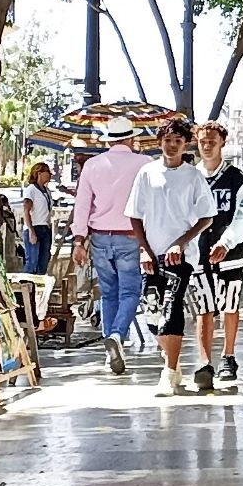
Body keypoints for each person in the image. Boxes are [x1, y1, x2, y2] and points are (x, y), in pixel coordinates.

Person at [127, 122, 217, 397]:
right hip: (151, 254)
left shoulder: (193, 177)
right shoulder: (146, 173)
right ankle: (172, 364)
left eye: (178, 140)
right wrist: (143, 249)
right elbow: (135, 214)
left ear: (186, 144)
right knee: (153, 313)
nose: (172, 145)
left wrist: (181, 242)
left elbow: (206, 216)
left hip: (180, 257)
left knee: (171, 308)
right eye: (167, 139)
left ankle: (169, 371)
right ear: (160, 142)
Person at [72, 118, 154, 375]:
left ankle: (111, 348)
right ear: (131, 139)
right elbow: (151, 205)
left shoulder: (93, 166)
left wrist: (78, 240)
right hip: (131, 235)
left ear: (110, 140)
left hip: (99, 237)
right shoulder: (145, 165)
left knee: (108, 294)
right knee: (130, 291)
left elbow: (82, 204)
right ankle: (117, 335)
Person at [192, 123, 243, 389]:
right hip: (198, 251)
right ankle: (204, 361)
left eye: (212, 141)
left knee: (229, 304)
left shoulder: (238, 178)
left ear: (222, 143)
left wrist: (226, 242)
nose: (207, 146)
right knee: (203, 307)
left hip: (230, 251)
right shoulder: (190, 177)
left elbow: (241, 217)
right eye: (203, 141)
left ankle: (228, 356)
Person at [16, 162, 58, 275]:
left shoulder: (47, 191)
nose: (49, 175)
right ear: (39, 173)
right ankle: (26, 287)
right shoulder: (31, 190)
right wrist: (31, 231)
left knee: (43, 261)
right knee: (32, 261)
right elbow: (26, 211)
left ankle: (39, 287)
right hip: (35, 227)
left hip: (45, 228)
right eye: (47, 172)